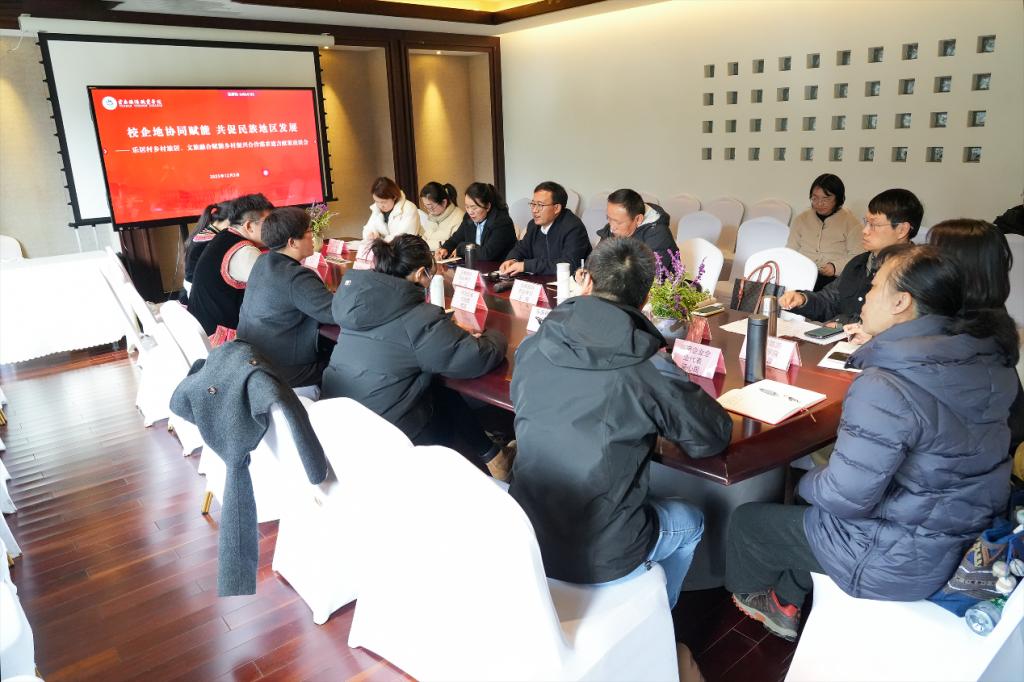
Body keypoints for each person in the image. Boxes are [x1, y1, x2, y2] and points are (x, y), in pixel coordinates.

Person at [727, 244, 1019, 641]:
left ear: (902, 301)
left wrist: (803, 483)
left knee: (750, 522)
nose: (865, 296)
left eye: (876, 285)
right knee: (812, 507)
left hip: (898, 557)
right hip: (967, 532)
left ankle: (755, 599)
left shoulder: (885, 384)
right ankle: (788, 597)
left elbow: (845, 497)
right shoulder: (986, 360)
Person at [509, 237, 733, 610]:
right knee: (690, 519)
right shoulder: (648, 366)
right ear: (645, 299)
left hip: (525, 531)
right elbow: (710, 437)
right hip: (603, 552)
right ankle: (659, 621)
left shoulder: (533, 345)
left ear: (586, 281)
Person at [322, 234, 510, 473]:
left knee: (432, 378)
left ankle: (492, 455)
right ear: (421, 274)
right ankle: (488, 460)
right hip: (387, 436)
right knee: (443, 390)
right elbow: (477, 357)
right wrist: (495, 335)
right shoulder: (418, 318)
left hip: (338, 422)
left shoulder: (357, 299)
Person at [778, 188, 923, 325]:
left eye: (874, 225)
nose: (865, 230)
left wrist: (843, 324)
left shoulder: (916, 271)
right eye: (866, 222)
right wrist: (802, 299)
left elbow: (900, 323)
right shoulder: (859, 263)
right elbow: (830, 301)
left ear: (902, 229)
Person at [236, 207, 335, 388]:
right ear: (292, 242)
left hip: (255, 361)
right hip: (285, 371)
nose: (313, 237)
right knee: (349, 361)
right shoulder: (296, 276)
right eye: (309, 232)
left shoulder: (262, 261)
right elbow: (335, 313)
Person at [188, 193, 273, 335]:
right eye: (269, 223)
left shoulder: (224, 235)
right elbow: (277, 289)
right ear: (249, 226)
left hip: (201, 327)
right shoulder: (244, 251)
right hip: (221, 338)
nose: (275, 228)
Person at [786, 174, 863, 290]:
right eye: (815, 198)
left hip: (834, 279)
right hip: (802, 274)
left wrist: (835, 267)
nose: (819, 203)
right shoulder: (801, 219)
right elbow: (791, 249)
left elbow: (858, 256)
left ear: (838, 198)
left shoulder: (851, 223)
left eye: (826, 199)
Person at [498, 181, 592, 276]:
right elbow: (521, 248)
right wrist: (512, 259)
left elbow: (569, 265)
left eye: (540, 205)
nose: (534, 210)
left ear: (556, 208)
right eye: (533, 204)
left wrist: (526, 266)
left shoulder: (573, 227)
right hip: (540, 280)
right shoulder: (533, 225)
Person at [436, 182, 516, 263]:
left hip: (498, 267)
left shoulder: (501, 221)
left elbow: (486, 254)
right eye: (467, 207)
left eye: (474, 208)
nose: (470, 212)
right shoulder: (468, 218)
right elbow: (455, 239)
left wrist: (461, 248)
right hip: (476, 267)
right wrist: (445, 248)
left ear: (488, 206)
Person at [595, 189, 677, 263]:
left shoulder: (659, 236)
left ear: (638, 219)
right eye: (609, 218)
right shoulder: (613, 224)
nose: (612, 228)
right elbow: (596, 260)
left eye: (618, 223)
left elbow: (652, 273)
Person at [181, 199, 233, 299]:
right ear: (230, 219)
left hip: (192, 290)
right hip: (199, 294)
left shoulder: (206, 233)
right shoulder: (214, 240)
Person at [362, 176, 421, 242]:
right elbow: (368, 228)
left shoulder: (409, 208)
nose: (380, 206)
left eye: (383, 202)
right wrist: (371, 235)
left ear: (394, 197)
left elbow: (403, 238)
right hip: (385, 247)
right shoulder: (377, 209)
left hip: (406, 247)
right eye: (376, 201)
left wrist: (380, 241)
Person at [418, 181, 464, 250]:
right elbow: (423, 238)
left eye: (430, 207)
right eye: (426, 207)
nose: (428, 210)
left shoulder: (459, 217)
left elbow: (453, 244)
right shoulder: (432, 216)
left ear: (444, 202)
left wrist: (425, 244)